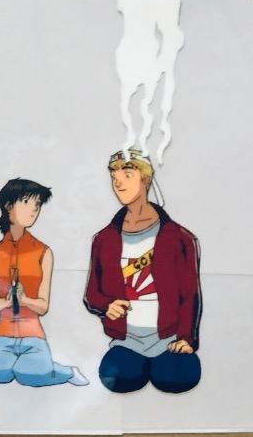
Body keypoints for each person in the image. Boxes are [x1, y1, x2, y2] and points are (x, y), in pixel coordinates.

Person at [0, 178, 88, 388]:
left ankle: (67, 372)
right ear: (8, 205)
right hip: (2, 333)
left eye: (37, 205)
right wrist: (8, 300)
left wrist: (23, 299)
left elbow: (43, 306)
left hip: (33, 333)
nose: (34, 210)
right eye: (27, 202)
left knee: (32, 375)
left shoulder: (44, 252)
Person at [83, 149, 202, 394]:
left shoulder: (180, 238)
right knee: (119, 380)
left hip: (169, 340)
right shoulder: (104, 239)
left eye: (127, 175)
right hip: (126, 341)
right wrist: (107, 306)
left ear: (146, 179)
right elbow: (91, 294)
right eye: (114, 177)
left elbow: (190, 294)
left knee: (177, 380)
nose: (118, 183)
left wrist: (186, 339)